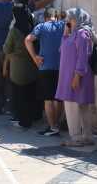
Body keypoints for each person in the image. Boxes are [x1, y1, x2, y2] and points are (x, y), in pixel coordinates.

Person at [56, 8, 96, 147]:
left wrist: (77, 76)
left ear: (78, 19)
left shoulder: (82, 34)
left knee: (72, 105)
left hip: (77, 76)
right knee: (81, 105)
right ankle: (86, 136)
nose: (68, 21)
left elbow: (82, 57)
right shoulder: (73, 34)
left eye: (71, 19)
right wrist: (65, 34)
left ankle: (77, 138)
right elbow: (62, 49)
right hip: (71, 75)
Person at [25, 9, 65, 137]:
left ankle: (53, 127)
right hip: (62, 67)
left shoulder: (41, 26)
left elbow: (28, 40)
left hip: (45, 66)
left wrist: (35, 57)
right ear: (56, 16)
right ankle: (57, 124)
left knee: (48, 99)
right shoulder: (63, 25)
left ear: (46, 17)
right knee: (59, 99)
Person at [3, 0, 37, 128]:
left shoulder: (14, 31)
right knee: (30, 93)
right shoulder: (33, 25)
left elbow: (6, 49)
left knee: (19, 94)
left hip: (17, 68)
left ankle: (22, 120)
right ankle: (33, 116)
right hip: (32, 65)